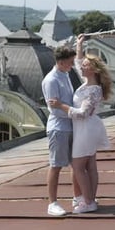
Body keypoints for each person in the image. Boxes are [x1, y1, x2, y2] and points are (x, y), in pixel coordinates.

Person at [48, 33, 112, 214]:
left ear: (93, 70)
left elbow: (83, 113)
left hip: (85, 130)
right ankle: (89, 198)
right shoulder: (89, 83)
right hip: (87, 129)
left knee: (78, 167)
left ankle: (89, 201)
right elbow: (77, 62)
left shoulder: (92, 90)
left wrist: (62, 106)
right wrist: (79, 45)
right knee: (90, 165)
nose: (80, 65)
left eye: (85, 65)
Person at [41, 45, 79, 216]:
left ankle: (77, 197)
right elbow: (54, 109)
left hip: (69, 126)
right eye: (70, 62)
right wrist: (74, 112)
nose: (72, 65)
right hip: (59, 128)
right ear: (62, 62)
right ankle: (52, 203)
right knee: (56, 165)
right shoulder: (51, 80)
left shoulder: (64, 74)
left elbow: (62, 103)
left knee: (75, 164)